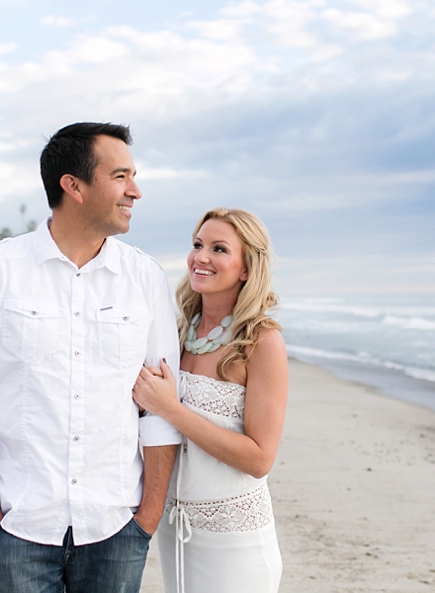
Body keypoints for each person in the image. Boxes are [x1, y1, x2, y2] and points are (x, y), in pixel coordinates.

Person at [0, 122, 181, 593]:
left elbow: (159, 411)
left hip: (115, 528)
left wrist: (146, 517)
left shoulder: (145, 279)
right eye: (120, 176)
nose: (135, 190)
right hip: (18, 526)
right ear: (72, 186)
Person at [132, 208, 288, 593]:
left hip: (234, 540)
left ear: (247, 268)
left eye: (219, 249)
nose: (201, 257)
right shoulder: (178, 329)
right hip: (175, 528)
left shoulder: (261, 343)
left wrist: (171, 408)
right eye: (197, 245)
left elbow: (259, 458)